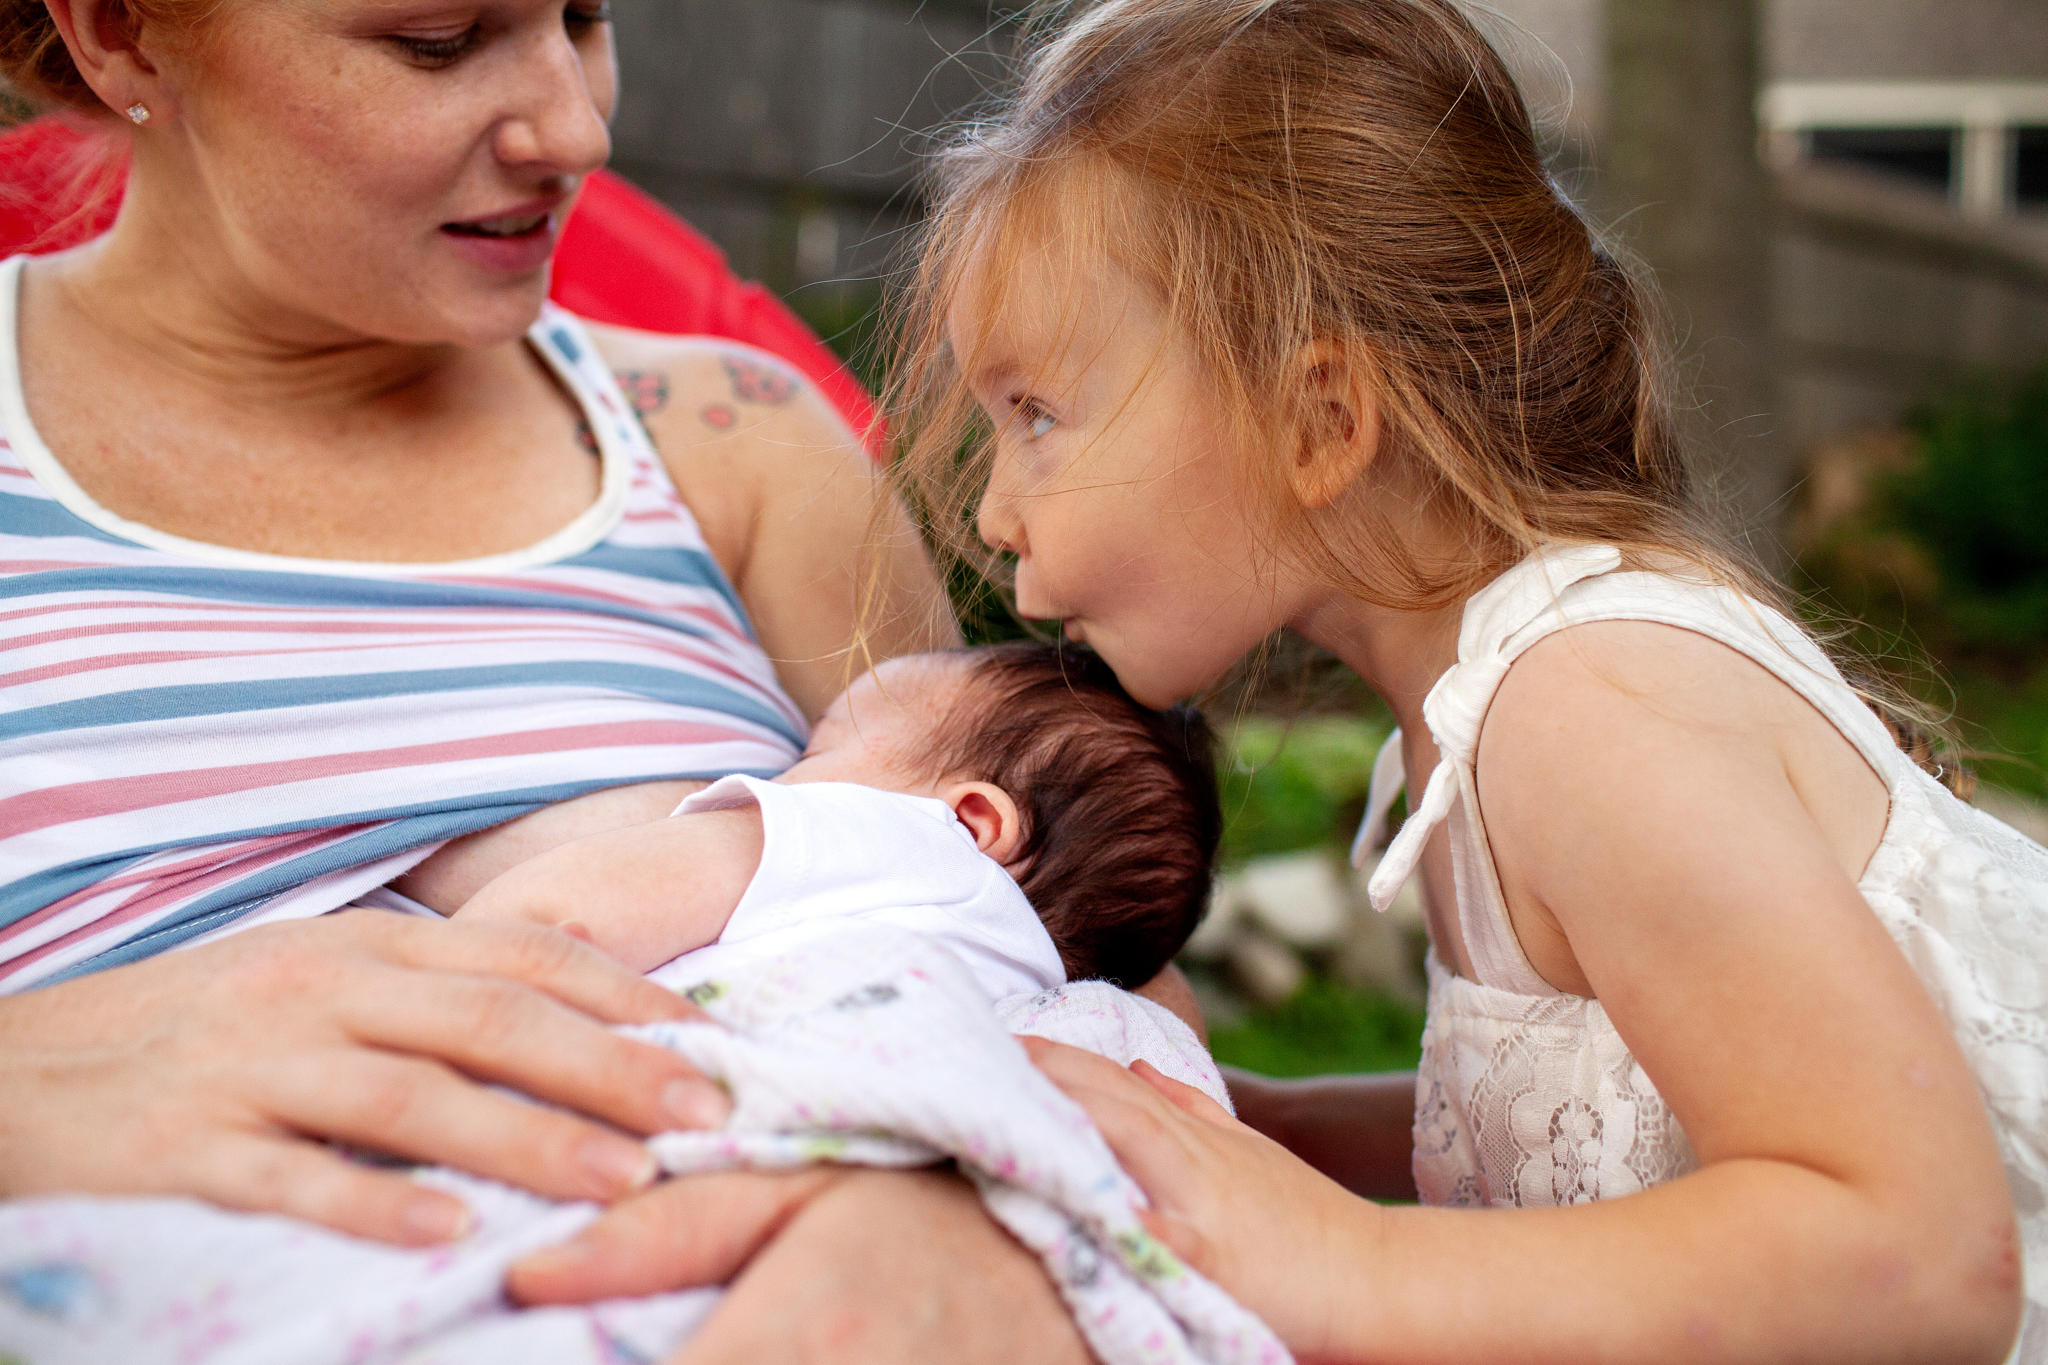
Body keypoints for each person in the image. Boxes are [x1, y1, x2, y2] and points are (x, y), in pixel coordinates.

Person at [824, 0, 2037, 1360]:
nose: (990, 512)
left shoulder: (1595, 706)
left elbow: (1926, 1255)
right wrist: (1273, 1128)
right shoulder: (1478, 718)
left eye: (1037, 414)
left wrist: (1356, 1254)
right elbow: (1620, 1110)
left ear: (1321, 419)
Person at [0, 4, 1129, 1359]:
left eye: (584, 15)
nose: (577, 127)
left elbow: (1083, 950)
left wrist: (984, 1216)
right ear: (124, 33)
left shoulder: (736, 446)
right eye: (438, 39)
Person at [456, 642, 1222, 993]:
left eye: (823, 749)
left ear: (974, 821)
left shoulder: (897, 841)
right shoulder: (1044, 986)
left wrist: (439, 970)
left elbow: (567, 908)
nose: (785, 776)